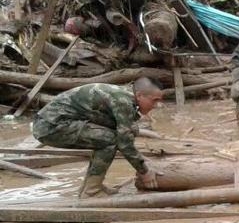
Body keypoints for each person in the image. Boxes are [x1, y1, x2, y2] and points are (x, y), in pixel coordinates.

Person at [32, 78, 164, 197]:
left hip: (57, 122)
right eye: (154, 100)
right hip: (51, 127)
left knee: (125, 132)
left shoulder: (125, 95)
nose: (157, 105)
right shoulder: (123, 100)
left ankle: (90, 187)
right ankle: (92, 191)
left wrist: (140, 158)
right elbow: (124, 143)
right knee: (109, 141)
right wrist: (144, 171)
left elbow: (126, 130)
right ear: (140, 95)